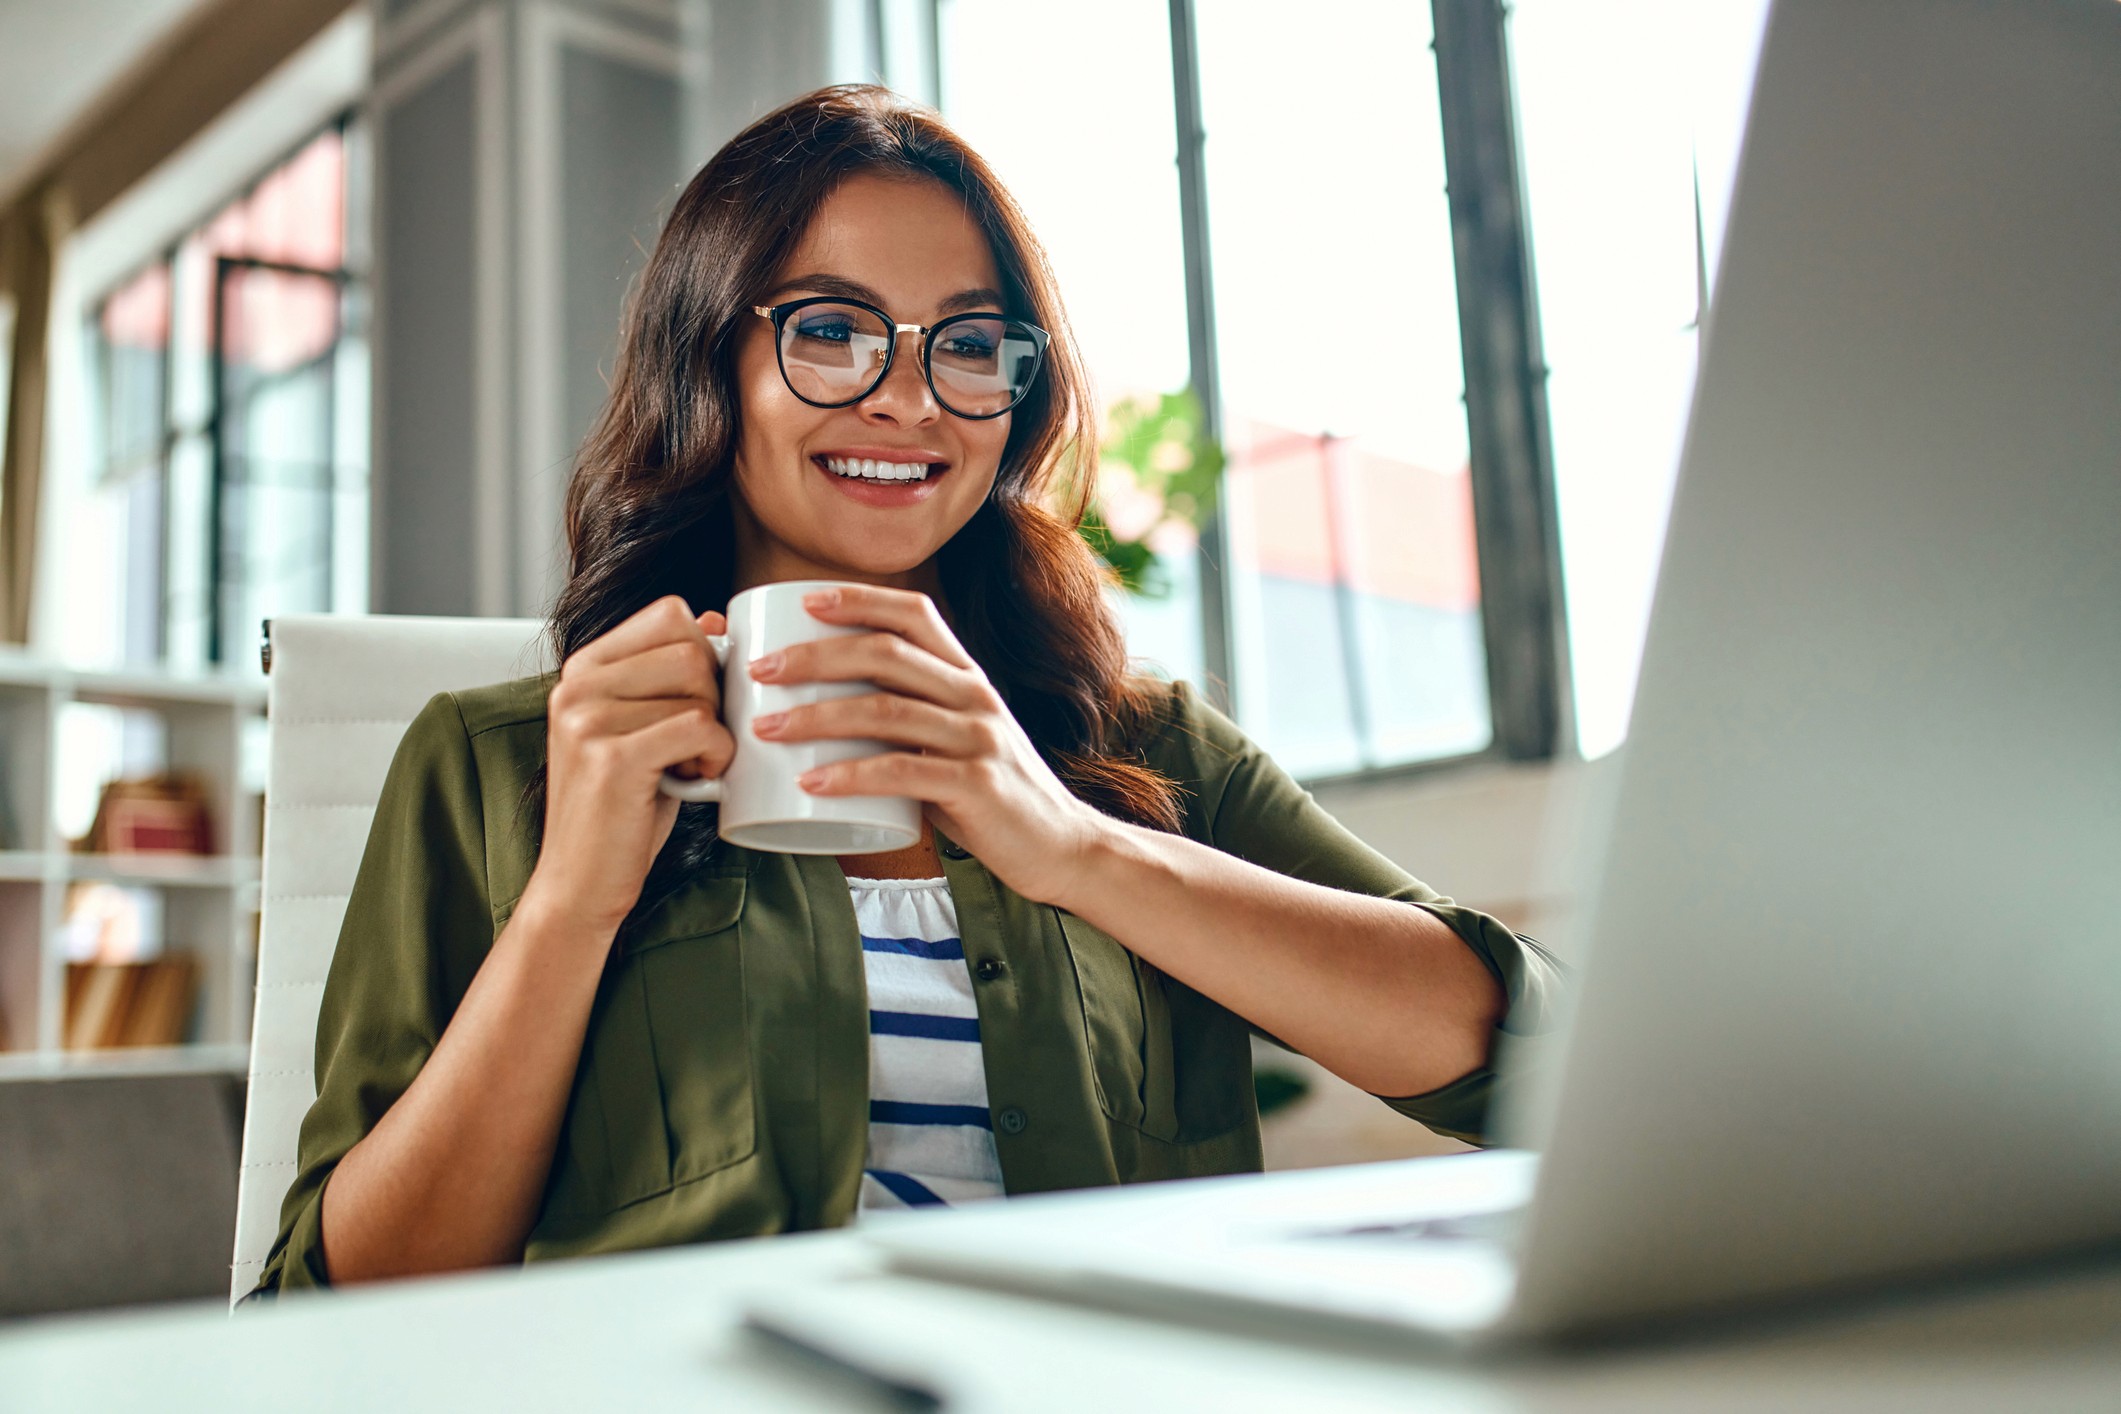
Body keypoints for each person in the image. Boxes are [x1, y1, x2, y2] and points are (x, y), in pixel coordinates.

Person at [252, 85, 1563, 1294]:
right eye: (831, 331)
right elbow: (337, 1300)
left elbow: (1529, 1061)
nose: (908, 402)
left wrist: (1072, 846)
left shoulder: (1144, 749)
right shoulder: (497, 761)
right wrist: (569, 904)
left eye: (967, 345)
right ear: (708, 361)